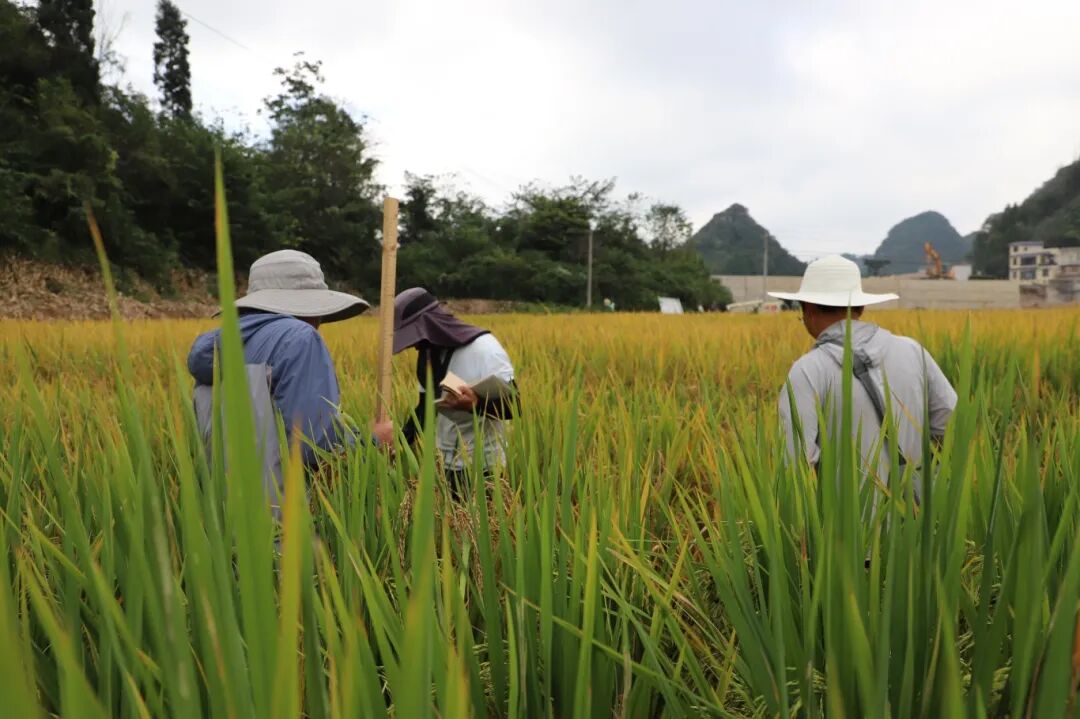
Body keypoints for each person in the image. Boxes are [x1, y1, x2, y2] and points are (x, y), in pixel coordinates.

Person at [188, 250, 393, 508]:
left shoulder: (217, 349)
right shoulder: (298, 339)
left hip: (219, 519)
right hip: (280, 523)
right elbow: (316, 447)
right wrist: (374, 442)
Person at [768, 255, 957, 498]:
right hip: (917, 522)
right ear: (861, 307)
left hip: (846, 532)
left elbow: (794, 464)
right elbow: (952, 426)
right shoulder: (913, 351)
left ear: (808, 309)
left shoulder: (808, 371)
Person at [393, 287, 517, 494]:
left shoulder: (484, 349)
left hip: (486, 466)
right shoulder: (428, 355)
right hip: (445, 462)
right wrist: (398, 444)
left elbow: (513, 406)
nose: (414, 346)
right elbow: (425, 409)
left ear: (431, 325)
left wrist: (475, 404)